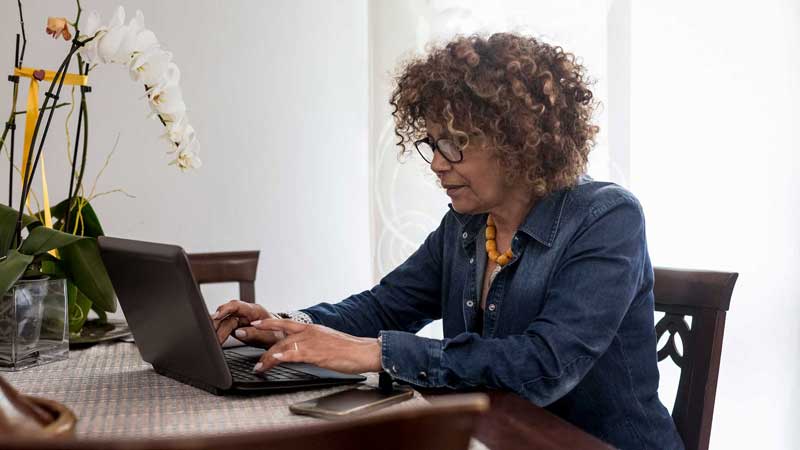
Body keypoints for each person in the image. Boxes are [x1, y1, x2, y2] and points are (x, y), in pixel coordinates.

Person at [212, 33, 683, 449]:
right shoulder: (468, 223)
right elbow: (384, 307)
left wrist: (378, 352)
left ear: (519, 141)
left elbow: (545, 364)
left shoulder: (606, 217)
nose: (437, 162)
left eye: (455, 143)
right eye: (432, 143)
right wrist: (287, 325)